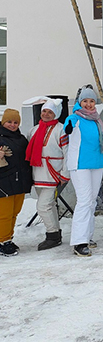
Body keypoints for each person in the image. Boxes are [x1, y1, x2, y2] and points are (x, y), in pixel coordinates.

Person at [64, 85, 103, 257]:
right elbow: (67, 128)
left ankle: (87, 236)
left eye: (92, 101)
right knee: (84, 201)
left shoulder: (96, 119)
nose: (88, 104)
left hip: (96, 163)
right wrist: (69, 127)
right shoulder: (75, 118)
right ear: (80, 102)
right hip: (80, 164)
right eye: (85, 101)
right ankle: (79, 242)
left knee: (92, 201)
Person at [26, 98, 69, 250]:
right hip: (37, 173)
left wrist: (65, 174)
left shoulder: (61, 129)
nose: (46, 114)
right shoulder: (34, 130)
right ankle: (56, 235)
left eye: (50, 112)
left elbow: (67, 153)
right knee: (49, 205)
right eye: (44, 111)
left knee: (43, 206)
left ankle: (52, 235)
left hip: (53, 173)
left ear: (55, 114)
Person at [0, 109, 32, 257]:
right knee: (4, 214)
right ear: (3, 122)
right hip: (4, 182)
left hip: (20, 181)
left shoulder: (21, 139)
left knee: (14, 213)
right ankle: (3, 241)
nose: (12, 125)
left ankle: (8, 238)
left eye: (15, 122)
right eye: (9, 122)